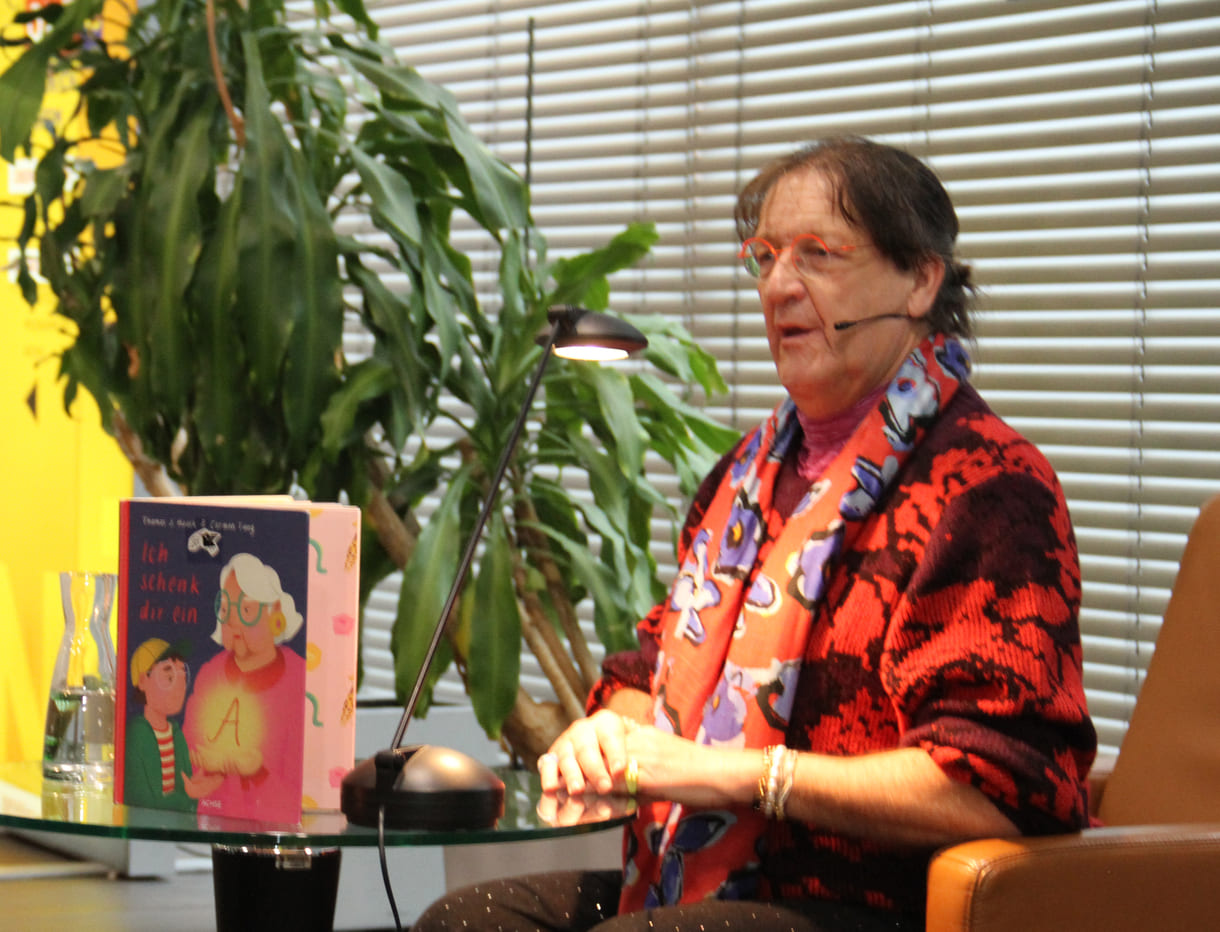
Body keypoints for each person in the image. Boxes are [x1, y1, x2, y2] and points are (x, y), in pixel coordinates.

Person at [414, 135, 1097, 931]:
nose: (778, 285)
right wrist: (606, 732)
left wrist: (747, 776)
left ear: (919, 279)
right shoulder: (745, 473)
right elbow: (649, 668)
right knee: (470, 919)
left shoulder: (988, 486)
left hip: (871, 899)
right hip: (691, 881)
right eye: (765, 256)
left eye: (818, 254)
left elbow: (996, 784)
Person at [183, 551, 307, 817]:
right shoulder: (209, 675)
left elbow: (302, 794)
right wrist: (207, 774)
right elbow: (188, 764)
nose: (233, 620)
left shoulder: (300, 681)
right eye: (226, 609)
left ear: (275, 612)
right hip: (215, 828)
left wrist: (256, 773)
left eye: (247, 610)